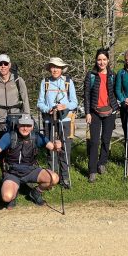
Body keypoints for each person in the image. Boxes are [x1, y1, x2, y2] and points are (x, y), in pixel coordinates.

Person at [0, 114, 62, 208]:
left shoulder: (36, 137)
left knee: (54, 178)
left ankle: (35, 193)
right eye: (22, 125)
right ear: (18, 125)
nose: (25, 128)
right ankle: (14, 194)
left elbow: (53, 148)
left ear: (32, 126)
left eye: (28, 125)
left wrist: (57, 145)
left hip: (31, 170)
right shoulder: (9, 136)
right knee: (7, 197)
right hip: (12, 173)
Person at [37, 57, 78, 189]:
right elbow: (40, 103)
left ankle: (65, 179)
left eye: (57, 67)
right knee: (51, 150)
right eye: (53, 67)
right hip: (49, 120)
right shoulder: (45, 82)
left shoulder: (68, 82)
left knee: (65, 150)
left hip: (65, 121)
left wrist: (64, 106)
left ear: (61, 69)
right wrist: (46, 109)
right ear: (49, 68)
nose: (55, 69)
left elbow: (74, 102)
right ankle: (51, 179)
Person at [0, 54, 31, 171]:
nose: (3, 66)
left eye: (5, 64)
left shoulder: (18, 80)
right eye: (0, 64)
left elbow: (25, 100)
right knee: (1, 149)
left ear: (9, 65)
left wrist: (27, 120)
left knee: (15, 147)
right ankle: (4, 174)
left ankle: (16, 173)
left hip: (15, 120)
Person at [84, 49, 119, 183]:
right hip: (94, 112)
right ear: (96, 61)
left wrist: (115, 109)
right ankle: (92, 170)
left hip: (110, 112)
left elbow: (115, 93)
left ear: (108, 60)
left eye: (104, 59)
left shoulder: (112, 75)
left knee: (106, 139)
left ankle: (102, 162)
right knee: (94, 142)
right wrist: (87, 112)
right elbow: (86, 94)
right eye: (99, 59)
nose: (102, 62)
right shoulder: (91, 75)